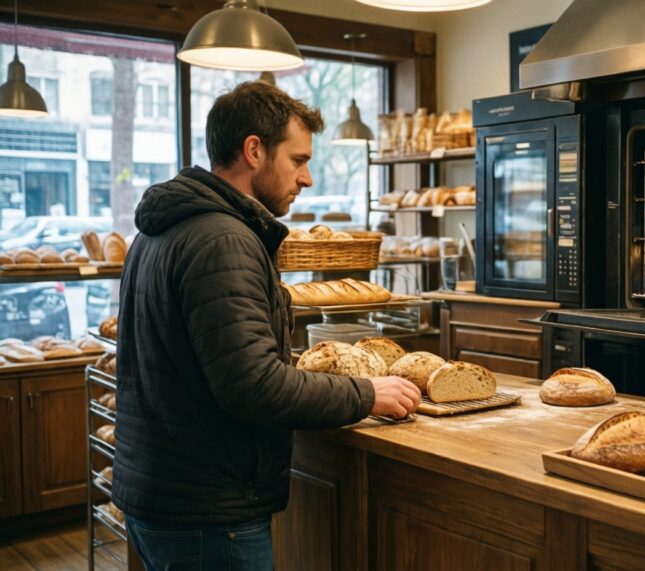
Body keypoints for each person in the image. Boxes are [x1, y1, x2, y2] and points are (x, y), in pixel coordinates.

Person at [113, 82, 420, 570]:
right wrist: (365, 394)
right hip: (208, 510)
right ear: (254, 150)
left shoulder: (162, 230)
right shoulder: (223, 240)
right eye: (297, 160)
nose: (308, 178)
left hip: (163, 493)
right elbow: (253, 387)